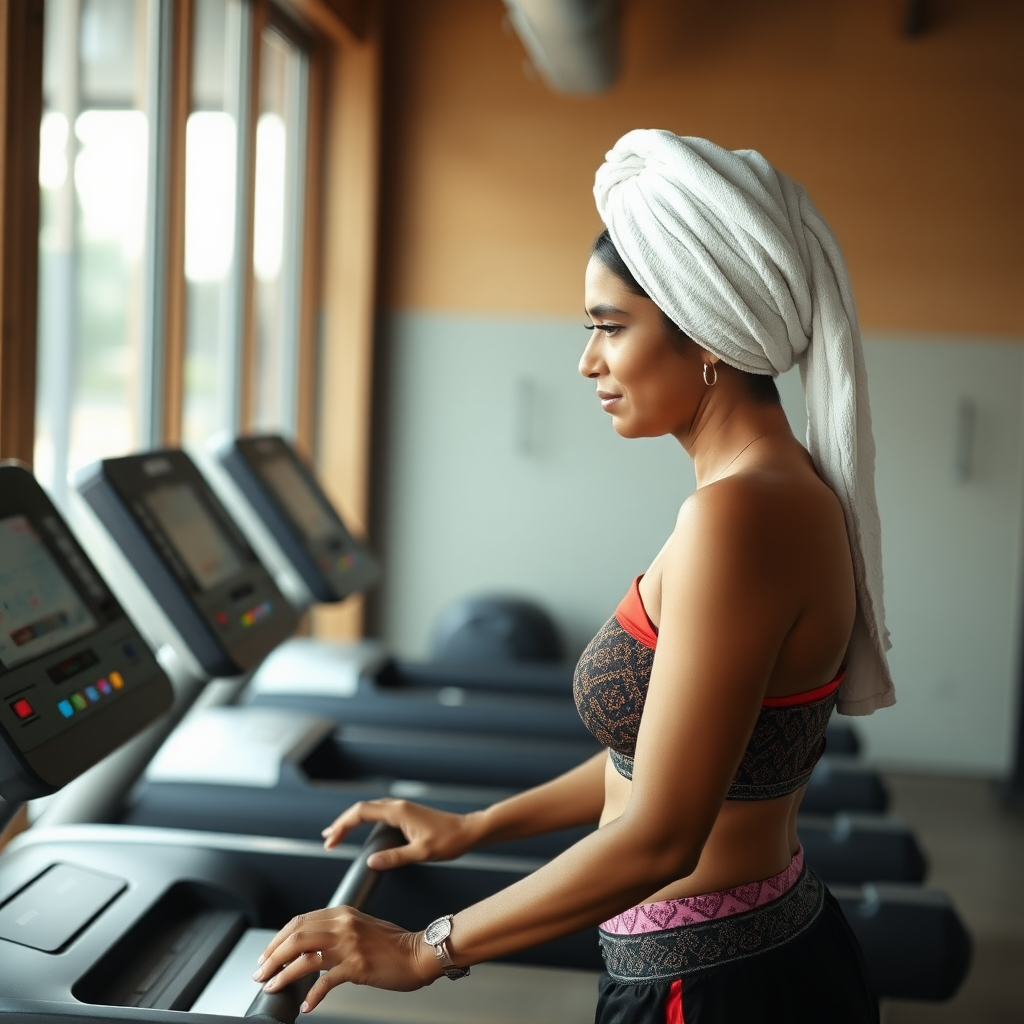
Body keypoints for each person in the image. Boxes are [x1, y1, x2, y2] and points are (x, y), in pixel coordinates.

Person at [251, 130, 893, 1023]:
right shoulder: (767, 497)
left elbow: (663, 835)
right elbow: (663, 761)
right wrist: (479, 828)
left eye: (608, 327)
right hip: (733, 961)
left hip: (713, 992)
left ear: (704, 335)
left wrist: (423, 948)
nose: (587, 361)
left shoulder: (738, 518)